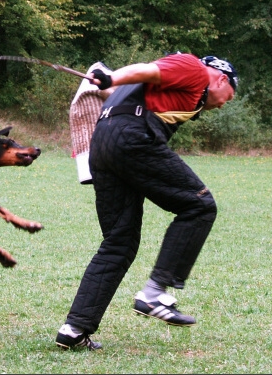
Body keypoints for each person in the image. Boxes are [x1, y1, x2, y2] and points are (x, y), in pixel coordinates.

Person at [55, 53, 238, 350]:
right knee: (199, 205)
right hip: (131, 138)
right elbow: (146, 70)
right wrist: (111, 78)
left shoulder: (185, 94)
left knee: (119, 242)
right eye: (229, 96)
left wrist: (111, 83)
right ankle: (154, 293)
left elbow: (136, 91)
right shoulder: (194, 69)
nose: (223, 103)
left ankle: (74, 328)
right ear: (222, 78)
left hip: (103, 144)